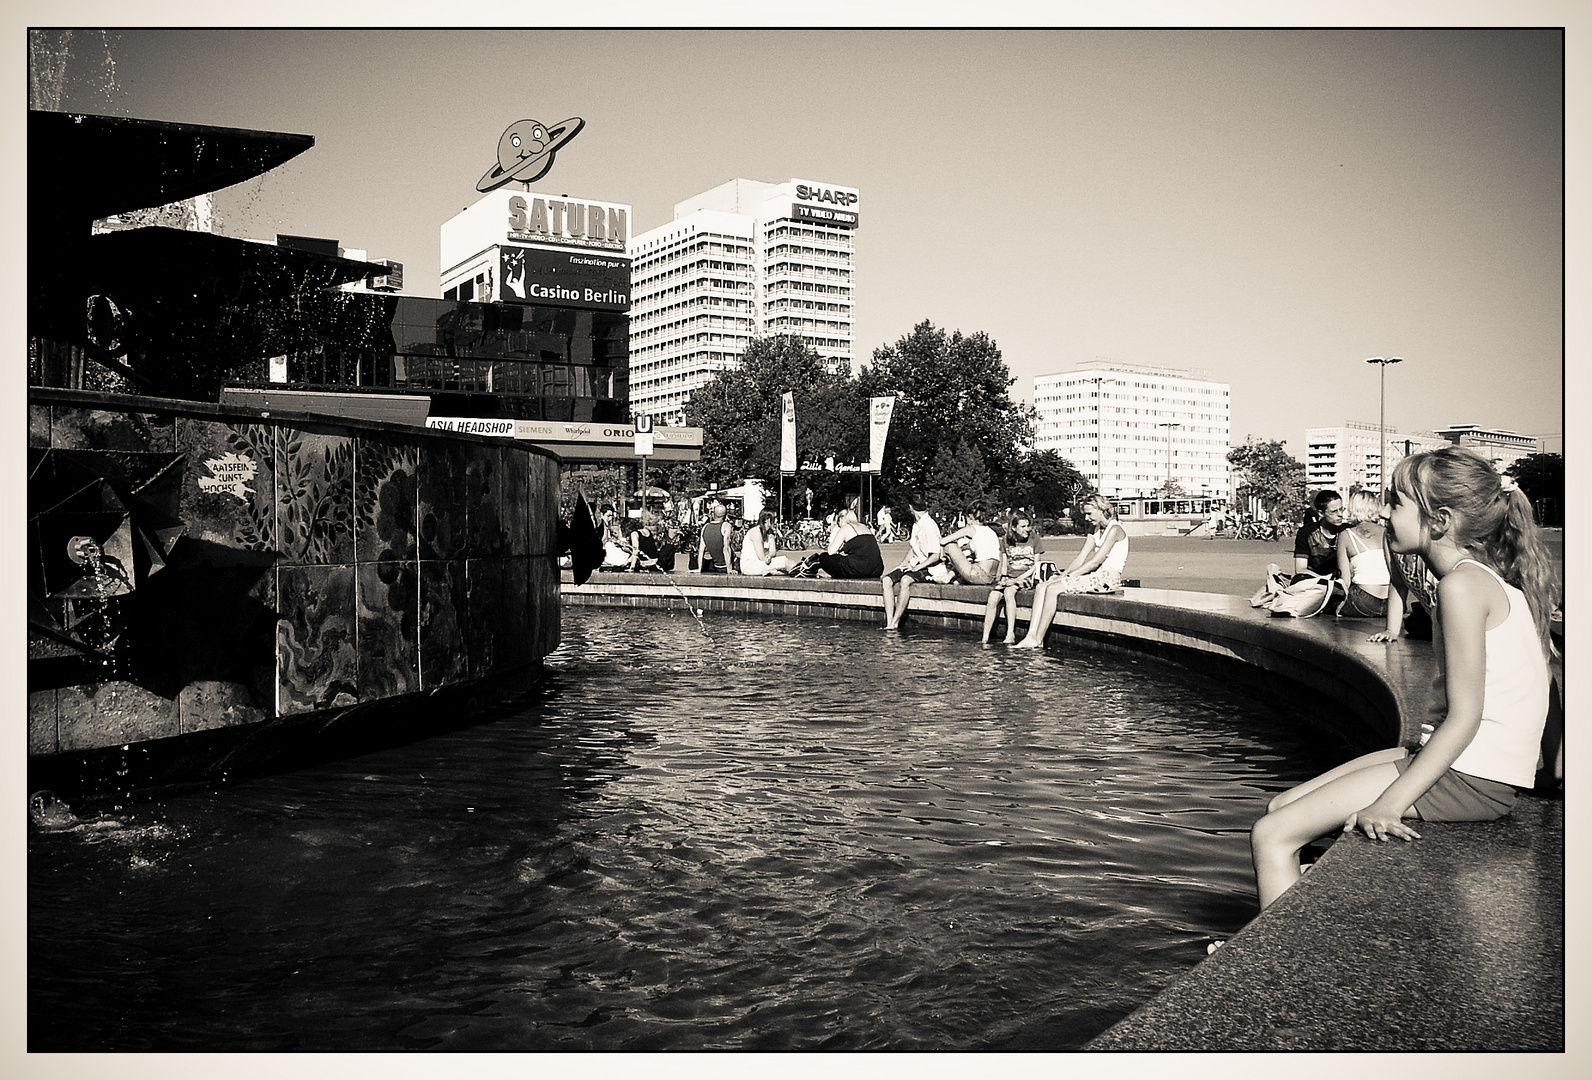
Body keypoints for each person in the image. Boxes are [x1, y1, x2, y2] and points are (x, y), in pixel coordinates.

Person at [1247, 447, 1556, 914]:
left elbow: (1467, 714)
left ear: (1440, 520)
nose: (1382, 513)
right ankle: (1302, 913)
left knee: (1271, 835)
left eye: (1396, 503)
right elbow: (1543, 685)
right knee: (1282, 805)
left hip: (1470, 776)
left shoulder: (1462, 587)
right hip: (1467, 766)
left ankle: (1273, 972)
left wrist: (1390, 804)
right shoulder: (1479, 579)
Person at [1013, 496, 1130, 649]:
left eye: (1089, 513)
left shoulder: (1115, 529)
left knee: (1053, 589)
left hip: (1107, 579)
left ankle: (1039, 639)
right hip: (1096, 576)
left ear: (1101, 509)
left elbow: (1095, 561)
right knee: (1042, 586)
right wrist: (1064, 574)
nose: (1086, 518)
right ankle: (1031, 635)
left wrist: (1068, 577)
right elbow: (1080, 558)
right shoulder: (1095, 530)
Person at [880, 491, 942, 630]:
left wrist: (916, 568)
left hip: (928, 567)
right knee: (886, 580)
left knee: (905, 581)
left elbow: (935, 556)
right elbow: (913, 548)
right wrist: (903, 564)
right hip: (915, 563)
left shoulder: (929, 525)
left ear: (911, 508)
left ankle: (896, 621)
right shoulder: (917, 524)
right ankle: (889, 621)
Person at [982, 513, 1042, 644]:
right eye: (1023, 526)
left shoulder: (1034, 539)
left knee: (1009, 592)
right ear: (1014, 528)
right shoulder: (1005, 540)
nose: (1027, 529)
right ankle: (985, 638)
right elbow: (1004, 564)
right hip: (1009, 577)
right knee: (992, 597)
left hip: (1026, 577)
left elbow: (1036, 566)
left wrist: (1016, 580)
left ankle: (1010, 634)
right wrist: (1003, 578)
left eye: (1028, 526)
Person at [1334, 490, 1390, 619]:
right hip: (1390, 602)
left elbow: (1345, 580)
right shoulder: (1387, 533)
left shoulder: (1346, 535)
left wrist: (1340, 605)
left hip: (1364, 600)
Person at [808, 496, 885, 579]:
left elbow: (831, 552)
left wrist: (834, 534)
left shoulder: (846, 528)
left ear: (842, 519)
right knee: (847, 560)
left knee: (824, 557)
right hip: (877, 569)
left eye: (838, 521)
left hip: (859, 569)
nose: (838, 524)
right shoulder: (864, 527)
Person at [1293, 489, 1348, 581]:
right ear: (1321, 513)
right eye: (1334, 511)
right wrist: (1326, 580)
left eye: (1341, 509)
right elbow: (1300, 569)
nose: (1340, 514)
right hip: (1315, 583)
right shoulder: (1306, 532)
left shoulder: (1348, 531)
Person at [939, 507, 1001, 585]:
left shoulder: (971, 529)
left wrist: (943, 551)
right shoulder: (991, 531)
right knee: (968, 556)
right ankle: (951, 577)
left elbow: (943, 541)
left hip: (978, 574)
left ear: (970, 517)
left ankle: (945, 572)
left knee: (950, 545)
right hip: (991, 577)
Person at [740, 509, 792, 576]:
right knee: (785, 561)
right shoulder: (756, 533)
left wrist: (769, 556)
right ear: (766, 520)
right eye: (774, 518)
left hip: (761, 563)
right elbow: (761, 557)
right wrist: (767, 558)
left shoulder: (770, 533)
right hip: (749, 565)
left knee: (785, 568)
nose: (776, 521)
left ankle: (771, 572)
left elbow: (773, 552)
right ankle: (804, 571)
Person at [697, 498, 734, 574]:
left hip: (716, 566)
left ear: (713, 514)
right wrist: (729, 568)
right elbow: (726, 548)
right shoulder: (726, 526)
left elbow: (701, 550)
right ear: (725, 515)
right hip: (728, 565)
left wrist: (699, 568)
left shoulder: (705, 527)